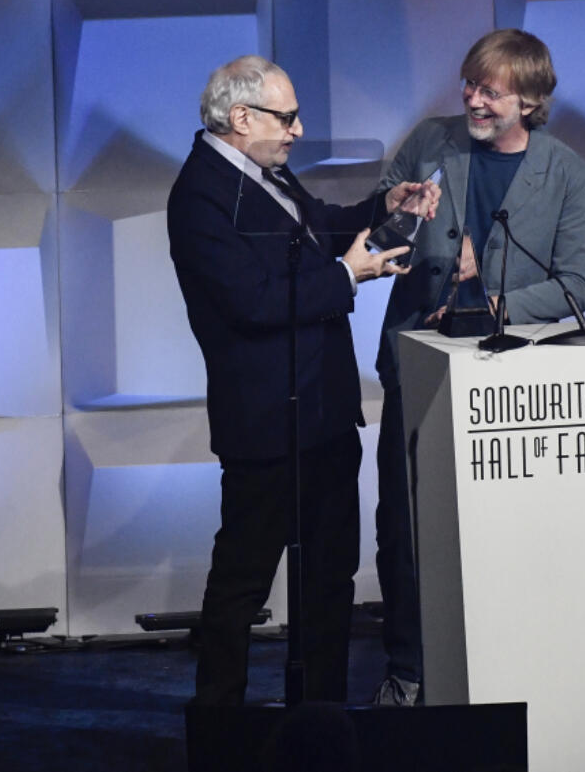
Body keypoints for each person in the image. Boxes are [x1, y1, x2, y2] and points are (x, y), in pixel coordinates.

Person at [167, 55, 438, 705]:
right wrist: (348, 278)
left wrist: (383, 205)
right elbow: (253, 302)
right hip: (265, 425)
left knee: (328, 577)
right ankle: (221, 730)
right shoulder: (199, 194)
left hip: (324, 413)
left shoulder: (268, 172)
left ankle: (319, 720)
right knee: (242, 583)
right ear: (240, 117)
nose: (297, 129)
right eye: (286, 117)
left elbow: (316, 229)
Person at [371, 29, 585, 706]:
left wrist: (497, 299)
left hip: (509, 385)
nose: (472, 98)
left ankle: (510, 668)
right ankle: (408, 669)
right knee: (404, 530)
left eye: (490, 90)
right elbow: (379, 233)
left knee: (500, 537)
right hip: (419, 366)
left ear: (529, 99)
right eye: (469, 83)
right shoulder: (429, 141)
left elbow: (578, 285)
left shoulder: (566, 172)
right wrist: (403, 217)